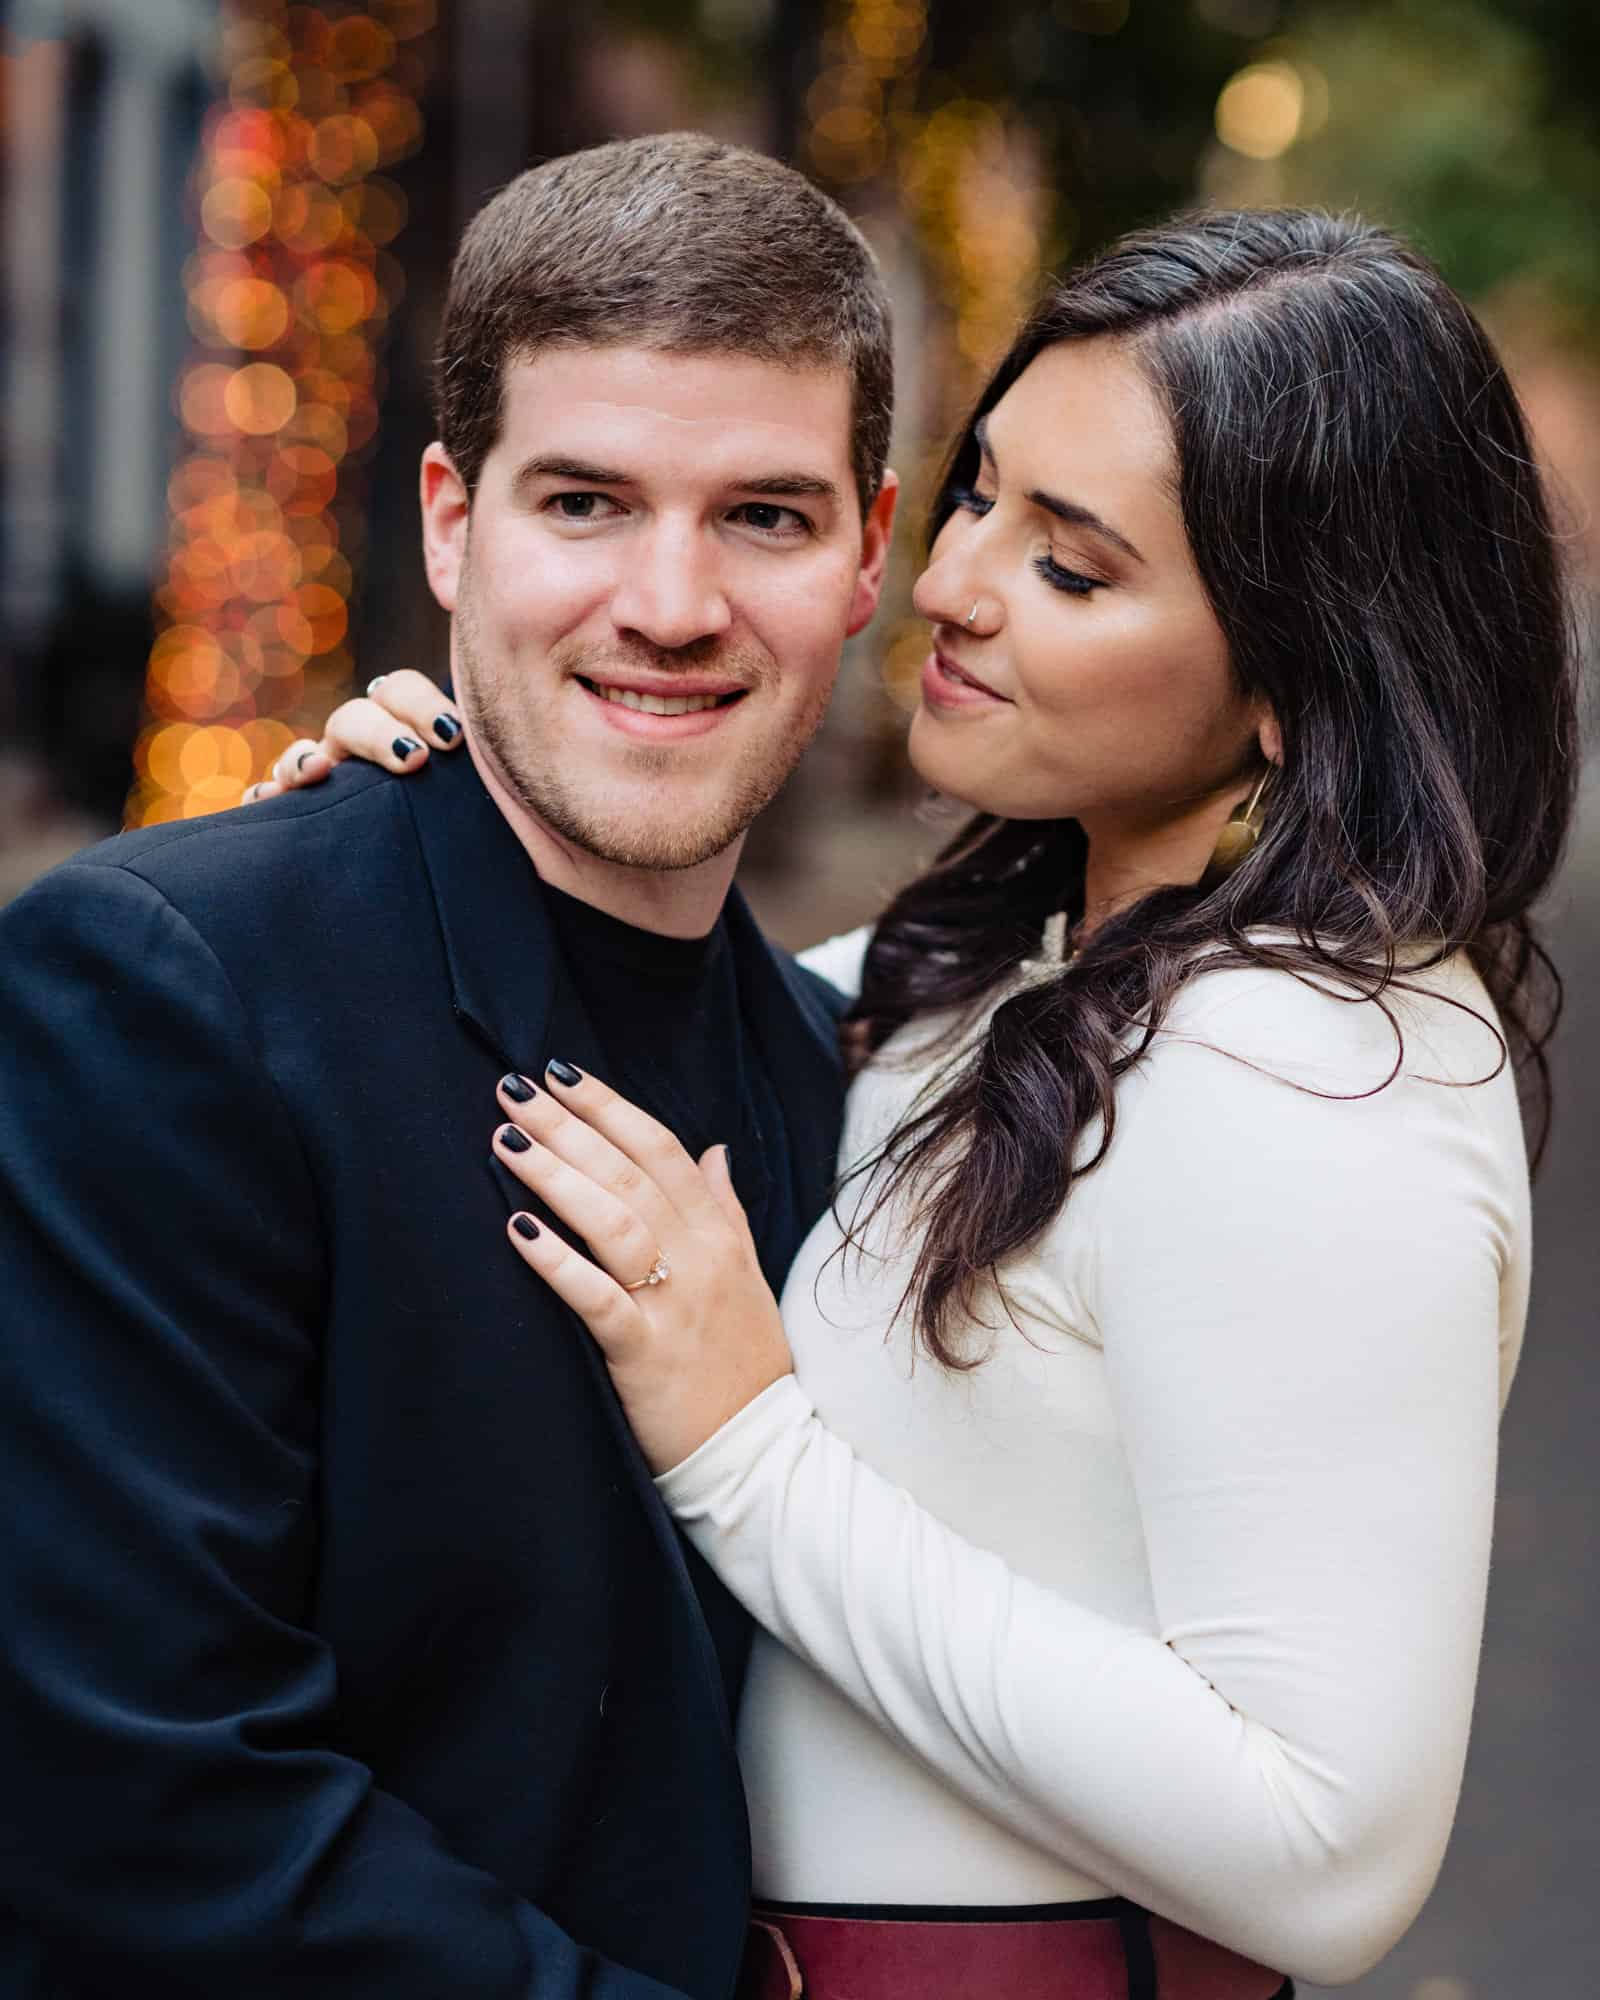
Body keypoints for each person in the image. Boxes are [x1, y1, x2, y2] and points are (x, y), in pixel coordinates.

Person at [290, 208, 1577, 2000]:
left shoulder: (1310, 1071)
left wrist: (752, 1455)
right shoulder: (1010, 963)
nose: (956, 585)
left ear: (1296, 675)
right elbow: (657, 1037)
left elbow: (1326, 1845)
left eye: (1076, 566)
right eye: (981, 495)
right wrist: (429, 827)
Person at [0, 133, 900, 1999]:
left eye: (765, 516)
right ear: (448, 518)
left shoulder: (851, 1084)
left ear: (869, 552)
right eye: (584, 503)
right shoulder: (175, 991)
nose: (671, 603)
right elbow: (143, 1815)